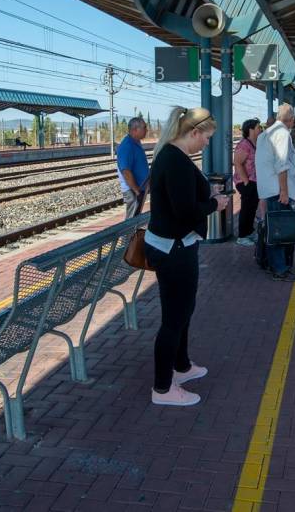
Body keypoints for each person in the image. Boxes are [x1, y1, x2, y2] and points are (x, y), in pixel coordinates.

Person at [144, 106, 226, 407]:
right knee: (174, 318)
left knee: (183, 312)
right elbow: (184, 212)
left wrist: (207, 196)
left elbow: (182, 201)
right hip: (173, 248)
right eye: (206, 138)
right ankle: (163, 389)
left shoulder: (173, 155)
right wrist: (214, 204)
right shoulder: (175, 160)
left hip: (176, 245)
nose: (207, 143)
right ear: (193, 132)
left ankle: (182, 366)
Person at [254, 103, 295, 282]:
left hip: (268, 190)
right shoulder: (282, 134)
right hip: (278, 191)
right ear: (291, 120)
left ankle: (272, 264)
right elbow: (281, 164)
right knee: (280, 232)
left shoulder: (264, 134)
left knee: (273, 229)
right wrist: (284, 191)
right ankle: (280, 269)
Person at [232, 118, 261, 246]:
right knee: (246, 208)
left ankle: (249, 232)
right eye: (258, 127)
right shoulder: (244, 144)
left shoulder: (254, 143)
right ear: (251, 129)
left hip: (254, 181)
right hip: (246, 182)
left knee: (252, 208)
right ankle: (242, 236)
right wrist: (246, 182)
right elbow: (238, 163)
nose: (260, 129)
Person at [116, 116, 149, 218]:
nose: (146, 130)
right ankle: (127, 235)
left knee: (135, 219)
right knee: (131, 221)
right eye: (144, 128)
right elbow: (126, 171)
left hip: (138, 189)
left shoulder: (135, 143)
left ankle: (132, 234)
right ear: (135, 130)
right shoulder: (127, 146)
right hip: (132, 190)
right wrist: (136, 191)